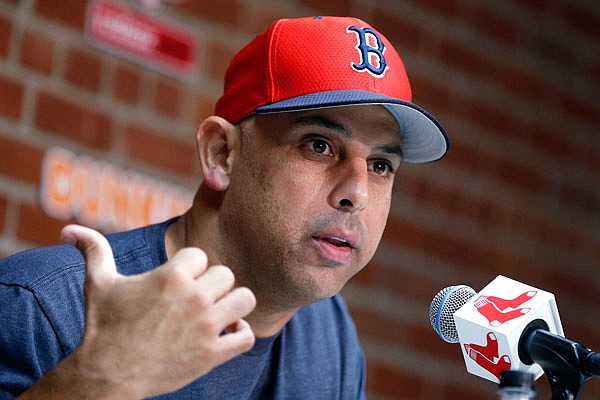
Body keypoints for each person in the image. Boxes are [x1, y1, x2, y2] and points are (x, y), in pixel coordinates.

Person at [0, 16, 449, 399]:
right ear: (221, 153)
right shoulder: (43, 307)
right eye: (319, 145)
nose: (358, 192)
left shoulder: (328, 338)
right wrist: (93, 380)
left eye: (381, 165)